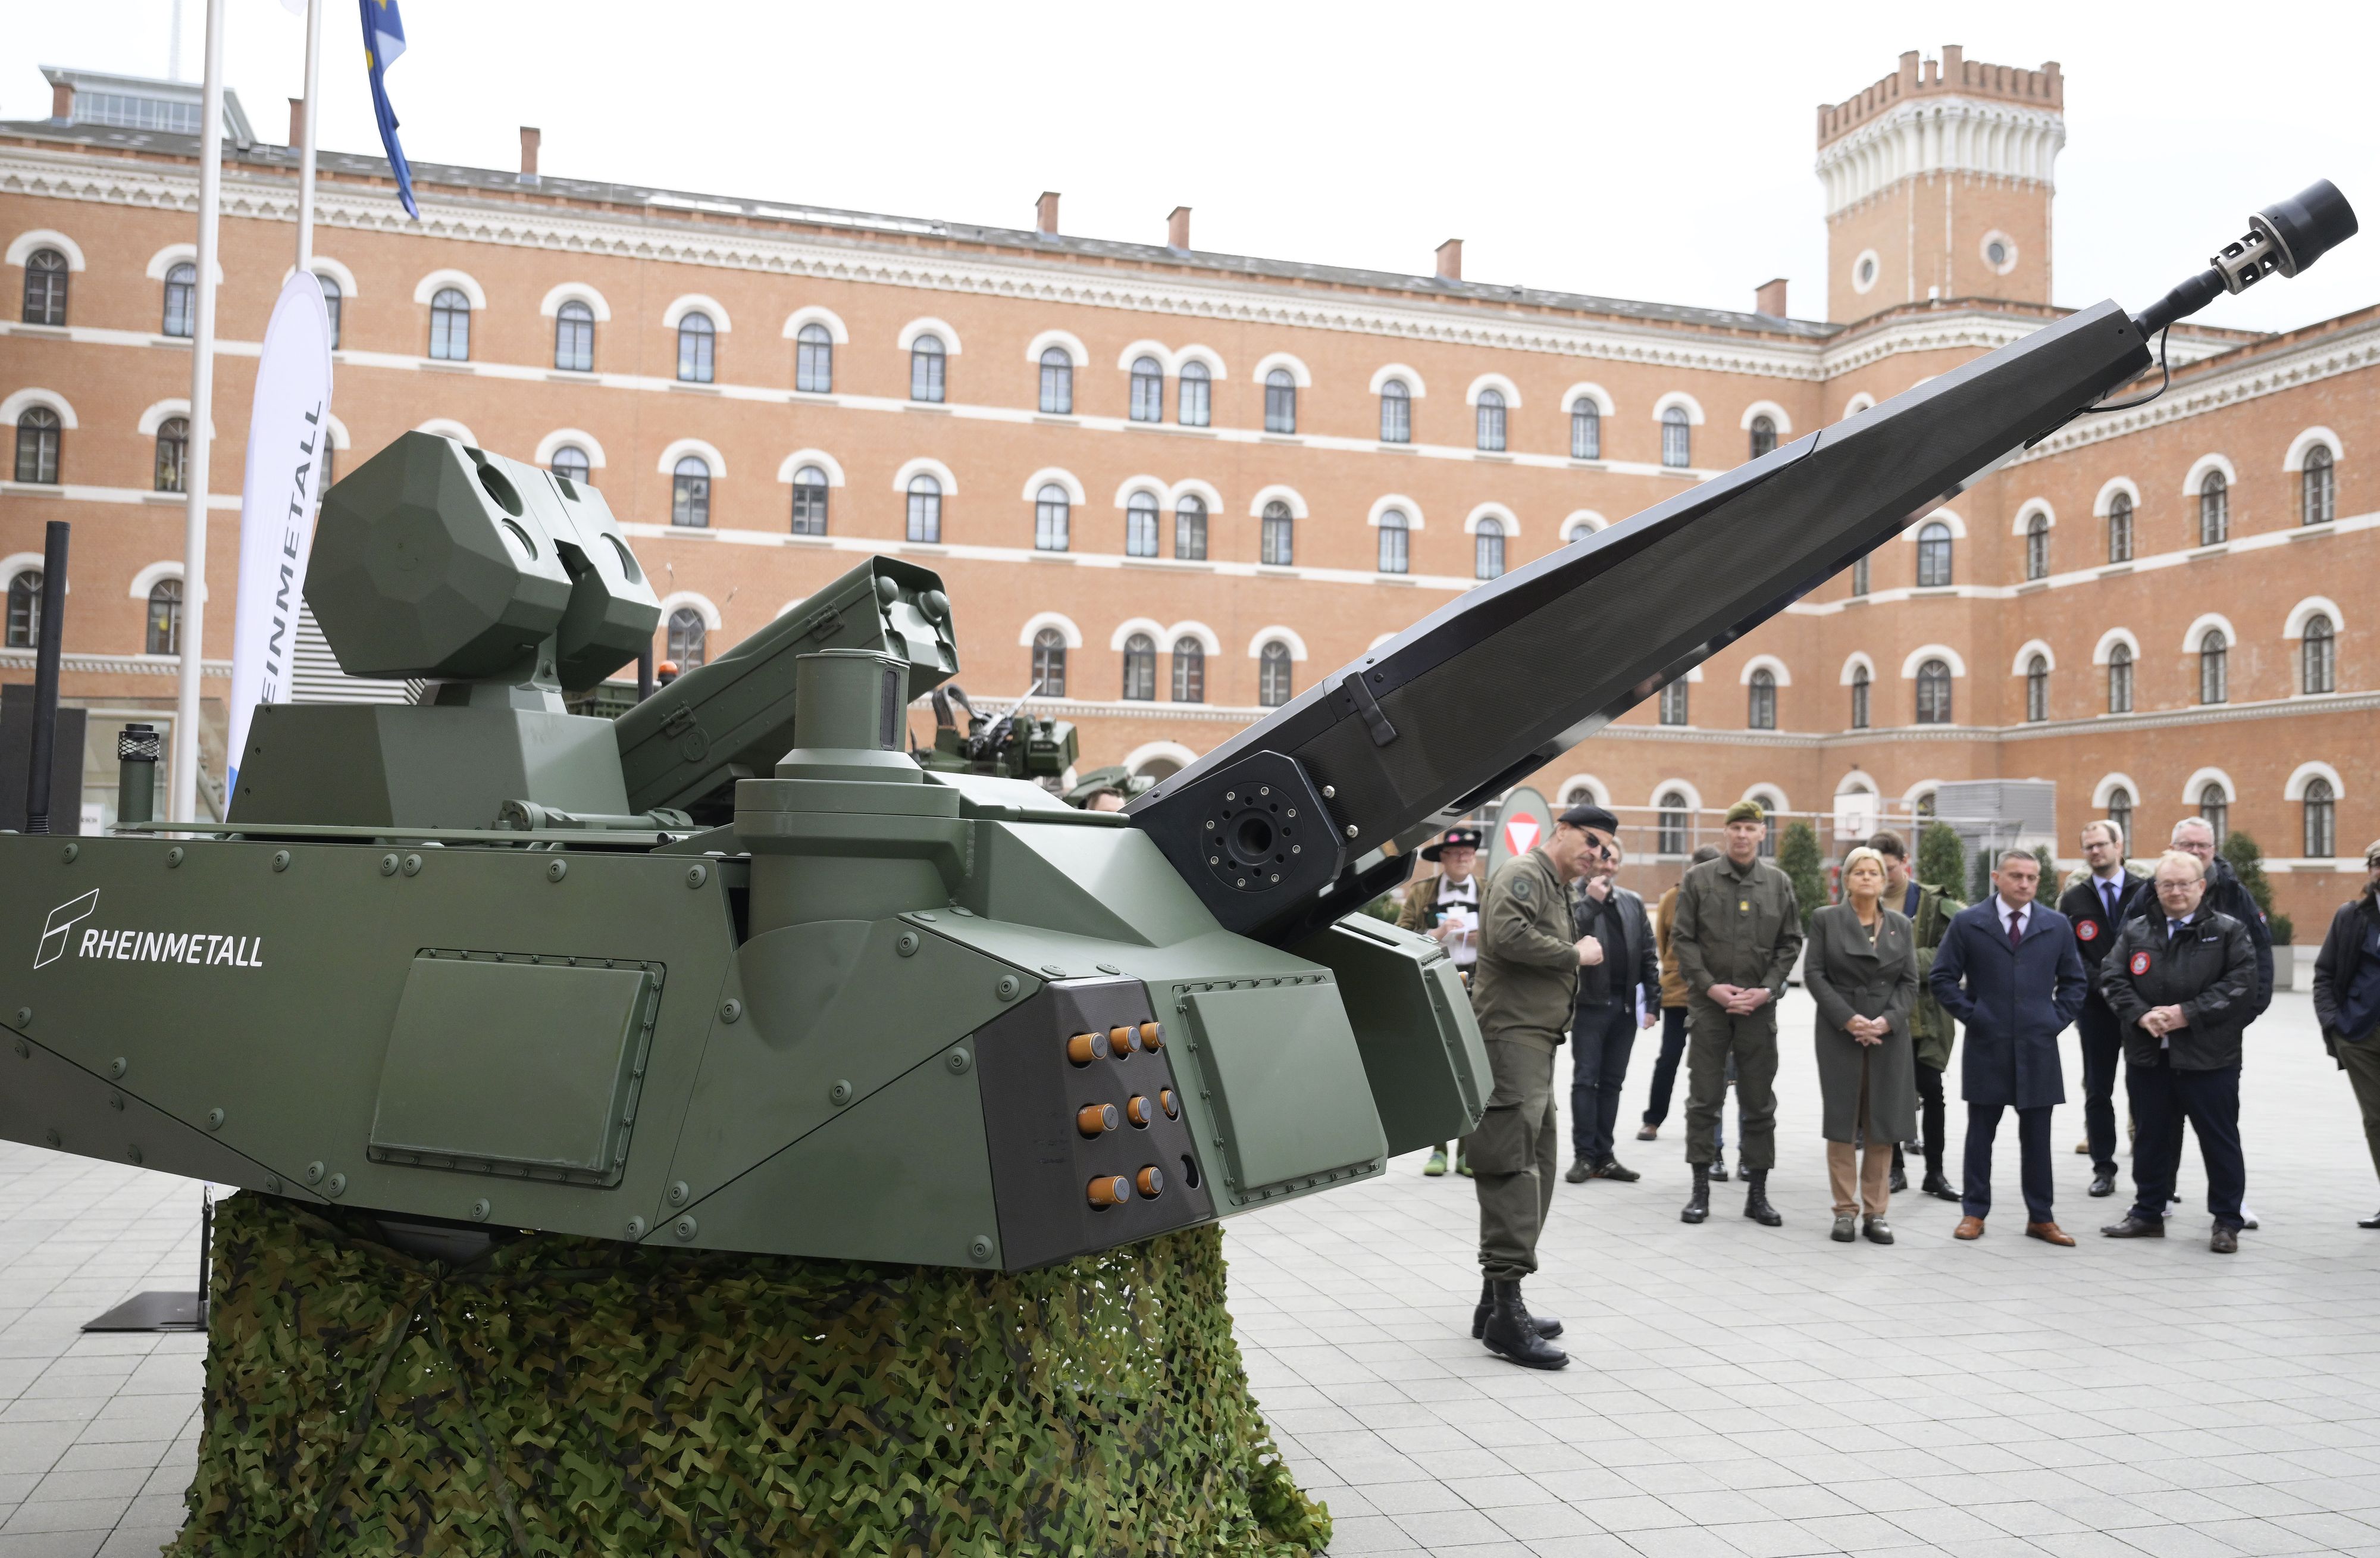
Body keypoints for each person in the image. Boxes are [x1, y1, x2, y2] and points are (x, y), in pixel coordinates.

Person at [1465, 802, 1618, 1368]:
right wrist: (1574, 954)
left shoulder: (1556, 887)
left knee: (1539, 1164)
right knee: (1512, 1166)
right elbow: (1506, 936)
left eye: (1605, 849)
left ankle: (1493, 1302)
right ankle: (1507, 1316)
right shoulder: (1525, 874)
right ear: (1563, 829)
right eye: (1591, 840)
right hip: (1511, 1039)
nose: (1597, 854)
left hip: (1535, 1043)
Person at [2097, 851, 2258, 1253]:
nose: (2176, 892)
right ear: (2156, 889)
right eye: (2167, 884)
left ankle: (2227, 1220)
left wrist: (2187, 1014)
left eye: (2184, 884)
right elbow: (2112, 977)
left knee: (2219, 1141)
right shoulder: (2136, 930)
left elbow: (2241, 985)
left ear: (2201, 886)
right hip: (2149, 1057)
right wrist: (2141, 1015)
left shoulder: (2228, 931)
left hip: (2210, 1059)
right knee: (2150, 1138)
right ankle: (2148, 1213)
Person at [1929, 850, 2088, 1244]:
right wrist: (1974, 1016)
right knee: (1980, 1134)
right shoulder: (1969, 922)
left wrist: (2053, 1020)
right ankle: (1974, 1212)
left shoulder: (2056, 925)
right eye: (2016, 876)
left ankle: (2041, 1217)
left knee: (2037, 1138)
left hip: (2038, 1047)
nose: (2025, 884)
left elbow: (2075, 982)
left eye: (2032, 878)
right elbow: (1942, 977)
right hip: (1988, 1044)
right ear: (1997, 878)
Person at [2124, 816, 2273, 1226]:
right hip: (2152, 1044)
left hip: (2212, 1043)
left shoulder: (2233, 905)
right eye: (2186, 845)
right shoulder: (2145, 902)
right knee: (2154, 1130)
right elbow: (2118, 970)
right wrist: (2142, 1015)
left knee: (2218, 1133)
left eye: (2201, 846)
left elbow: (2254, 968)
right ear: (2170, 850)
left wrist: (2225, 1018)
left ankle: (2229, 1213)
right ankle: (2154, 1204)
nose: (2194, 852)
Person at [1671, 800, 1803, 1227]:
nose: (1743, 835)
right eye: (1736, 828)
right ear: (1725, 833)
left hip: (1758, 1011)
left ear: (1763, 834)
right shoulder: (1699, 879)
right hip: (1709, 1009)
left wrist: (1767, 989)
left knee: (1759, 1102)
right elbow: (1683, 939)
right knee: (1704, 1100)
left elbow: (1790, 942)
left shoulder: (1778, 883)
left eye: (1750, 828)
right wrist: (1710, 986)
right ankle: (1700, 1191)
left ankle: (1757, 1194)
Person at [1802, 847, 1920, 1244]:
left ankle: (1876, 1212)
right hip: (1840, 1031)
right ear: (1847, 879)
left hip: (1888, 1034)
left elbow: (1909, 981)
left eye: (1874, 872)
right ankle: (1844, 1210)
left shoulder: (1900, 925)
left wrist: (1889, 1021)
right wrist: (1847, 1018)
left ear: (1885, 880)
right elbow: (1814, 974)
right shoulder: (1826, 919)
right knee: (1841, 1120)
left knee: (1882, 1123)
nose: (1867, 877)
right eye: (1859, 872)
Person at [2056, 820, 2150, 1196]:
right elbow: (2070, 954)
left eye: (2101, 844)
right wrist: (2105, 984)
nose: (2095, 852)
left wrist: (2129, 989)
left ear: (2119, 846)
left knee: (2146, 1087)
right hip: (2095, 1008)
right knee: (2098, 1090)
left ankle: (2150, 1170)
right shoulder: (2074, 899)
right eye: (2089, 846)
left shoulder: (2144, 892)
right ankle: (2103, 1168)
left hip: (2141, 1007)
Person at [1873, 831, 1964, 1202]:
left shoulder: (1933, 903)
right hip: (1880, 1014)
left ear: (1905, 862)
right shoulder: (1862, 901)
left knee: (1932, 1091)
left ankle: (1935, 1173)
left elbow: (1950, 955)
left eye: (1889, 869)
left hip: (1926, 1014)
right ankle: (1894, 1168)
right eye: (1876, 869)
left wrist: (1898, 960)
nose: (1882, 877)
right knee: (1888, 1093)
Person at [1565, 840, 1660, 1184]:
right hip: (1589, 1006)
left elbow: (1648, 954)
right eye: (1603, 860)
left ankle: (1605, 1156)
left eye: (1614, 861)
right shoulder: (1573, 898)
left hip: (1625, 1008)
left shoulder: (1632, 901)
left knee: (1612, 1083)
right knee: (1585, 1080)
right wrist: (1591, 901)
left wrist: (1653, 1003)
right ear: (1590, 862)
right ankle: (1584, 1156)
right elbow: (1566, 937)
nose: (1608, 867)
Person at [1401, 827, 1485, 1178]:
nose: (1463, 857)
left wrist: (1486, 938)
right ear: (1444, 858)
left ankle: (1469, 1151)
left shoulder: (1490, 891)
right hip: (1437, 983)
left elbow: (1511, 935)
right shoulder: (1422, 892)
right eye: (1456, 853)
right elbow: (1399, 936)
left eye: (1468, 852)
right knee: (1440, 1065)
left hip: (1481, 987)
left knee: (1475, 1066)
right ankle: (1438, 1148)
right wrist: (1434, 935)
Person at [2310, 839, 2380, 1228]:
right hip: (2361, 1035)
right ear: (2370, 870)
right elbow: (2325, 973)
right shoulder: (2351, 917)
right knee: (2376, 1119)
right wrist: (2334, 1024)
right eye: (2378, 864)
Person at [1639, 845, 1721, 1154]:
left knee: (1710, 1063)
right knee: (1669, 1058)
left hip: (1713, 995)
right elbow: (1663, 945)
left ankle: (1704, 1124)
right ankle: (1653, 1120)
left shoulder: (1723, 899)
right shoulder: (1673, 898)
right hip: (1677, 993)